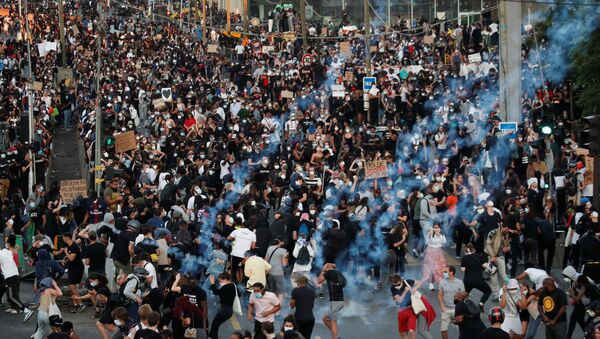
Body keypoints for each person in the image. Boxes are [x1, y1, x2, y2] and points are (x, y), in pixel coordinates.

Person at [0, 243, 33, 320]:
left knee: (12, 297)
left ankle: (26, 310)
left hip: (11, 277)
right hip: (13, 276)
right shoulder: (5, 252)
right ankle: (15, 307)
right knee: (9, 293)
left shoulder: (2, 254)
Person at [318, 263, 346, 339]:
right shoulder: (339, 273)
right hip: (340, 302)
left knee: (333, 324)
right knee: (324, 318)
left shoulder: (329, 272)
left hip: (335, 302)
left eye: (325, 267)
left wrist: (323, 270)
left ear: (327, 267)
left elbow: (319, 280)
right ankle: (337, 336)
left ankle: (336, 337)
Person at [60, 232, 86, 313]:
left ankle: (81, 304)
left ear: (67, 238)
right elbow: (69, 256)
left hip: (77, 268)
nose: (63, 239)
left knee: (72, 287)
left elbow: (71, 258)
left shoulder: (74, 246)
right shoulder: (68, 246)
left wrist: (65, 252)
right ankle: (75, 303)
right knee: (71, 286)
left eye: (63, 237)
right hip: (72, 267)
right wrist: (64, 258)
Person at [461, 243, 492, 309]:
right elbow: (485, 265)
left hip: (468, 280)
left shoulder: (464, 258)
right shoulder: (478, 256)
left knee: (464, 294)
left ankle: (462, 306)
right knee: (487, 291)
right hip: (478, 280)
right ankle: (481, 304)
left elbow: (463, 269)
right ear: (473, 250)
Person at [439, 266, 465, 339]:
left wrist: (460, 307)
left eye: (446, 272)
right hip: (446, 309)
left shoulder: (459, 282)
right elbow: (440, 295)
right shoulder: (442, 282)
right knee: (443, 330)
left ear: (451, 272)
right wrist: (442, 306)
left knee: (461, 329)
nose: (444, 273)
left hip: (457, 310)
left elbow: (463, 295)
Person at [208, 272, 237, 339]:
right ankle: (211, 336)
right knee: (215, 326)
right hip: (229, 311)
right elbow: (238, 294)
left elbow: (216, 292)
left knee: (214, 327)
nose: (220, 283)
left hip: (224, 311)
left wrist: (212, 283)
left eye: (221, 281)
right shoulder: (233, 285)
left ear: (226, 279)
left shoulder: (226, 287)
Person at [423, 222, 447, 291]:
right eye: (434, 227)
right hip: (430, 252)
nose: (436, 229)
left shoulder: (442, 234)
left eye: (437, 227)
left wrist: (439, 235)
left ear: (440, 228)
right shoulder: (430, 233)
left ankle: (441, 283)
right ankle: (431, 284)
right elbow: (427, 242)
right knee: (431, 269)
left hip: (439, 253)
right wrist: (429, 235)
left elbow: (444, 242)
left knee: (440, 269)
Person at [265, 238, 289, 305]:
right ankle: (277, 310)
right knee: (280, 293)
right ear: (280, 242)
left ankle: (272, 305)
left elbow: (265, 260)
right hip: (279, 273)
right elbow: (284, 264)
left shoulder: (269, 248)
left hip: (270, 272)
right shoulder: (284, 251)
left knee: (273, 291)